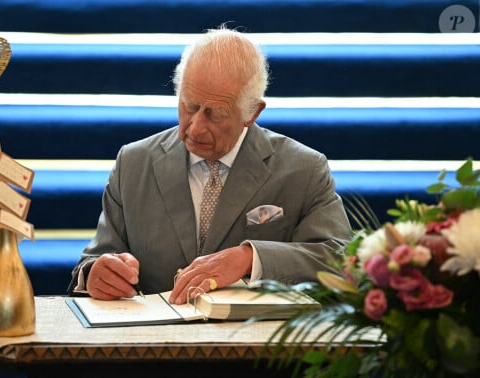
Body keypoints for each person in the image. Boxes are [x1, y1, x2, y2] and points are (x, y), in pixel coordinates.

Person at [68, 26, 351, 305]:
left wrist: (250, 258)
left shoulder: (304, 169)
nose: (196, 128)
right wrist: (94, 274)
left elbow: (340, 259)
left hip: (254, 345)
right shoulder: (134, 163)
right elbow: (95, 259)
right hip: (152, 344)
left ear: (252, 112)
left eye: (215, 115)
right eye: (189, 106)